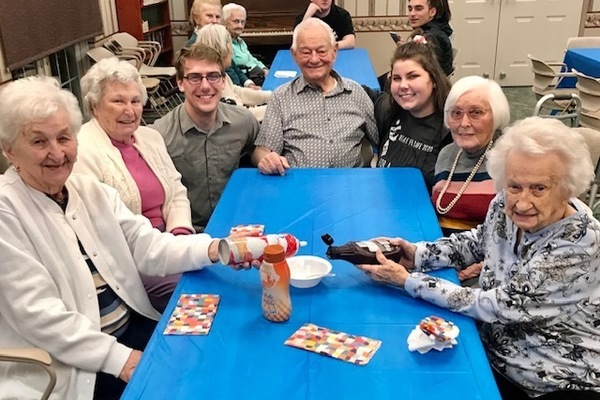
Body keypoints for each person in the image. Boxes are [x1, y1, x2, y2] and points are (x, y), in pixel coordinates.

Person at [0, 76, 255, 400]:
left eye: (64, 137)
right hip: (73, 367)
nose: (57, 152)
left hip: (129, 330)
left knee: (218, 358)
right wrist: (121, 360)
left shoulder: (89, 191)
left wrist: (218, 248)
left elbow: (149, 246)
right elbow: (39, 315)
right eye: (39, 142)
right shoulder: (6, 210)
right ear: (9, 150)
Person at [356, 116, 600, 400]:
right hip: (491, 351)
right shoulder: (504, 203)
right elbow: (476, 242)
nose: (522, 202)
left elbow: (499, 305)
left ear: (568, 189)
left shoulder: (580, 244)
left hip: (554, 381)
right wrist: (416, 254)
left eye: (539, 188)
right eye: (514, 185)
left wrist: (407, 280)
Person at [73, 57, 192, 312]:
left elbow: (176, 192)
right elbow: (102, 226)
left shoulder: (150, 138)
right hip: (130, 257)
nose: (130, 110)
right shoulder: (81, 149)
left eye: (135, 101)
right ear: (94, 106)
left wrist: (179, 234)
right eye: (118, 101)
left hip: (169, 242)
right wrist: (166, 250)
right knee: (196, 290)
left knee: (219, 270)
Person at [150, 44, 259, 232]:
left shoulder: (244, 121)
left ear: (223, 81)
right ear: (180, 83)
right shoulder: (159, 135)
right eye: (194, 77)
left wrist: (264, 157)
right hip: (187, 233)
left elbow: (256, 149)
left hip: (238, 225)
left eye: (213, 76)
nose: (205, 86)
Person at [252, 18, 377, 176]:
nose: (314, 59)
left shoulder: (356, 92)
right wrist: (266, 160)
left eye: (321, 51)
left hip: (349, 183)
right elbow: (262, 150)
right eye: (306, 52)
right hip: (299, 184)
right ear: (294, 55)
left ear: (334, 52)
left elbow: (381, 139)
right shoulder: (281, 97)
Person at [433, 75, 510, 236]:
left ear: (496, 115)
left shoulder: (509, 159)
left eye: (476, 113)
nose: (464, 123)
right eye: (456, 113)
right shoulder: (447, 154)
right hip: (440, 243)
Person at [374, 38, 451, 189]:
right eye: (397, 78)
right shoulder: (388, 109)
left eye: (412, 76)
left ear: (433, 79)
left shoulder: (449, 130)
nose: (403, 85)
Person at [195, 23, 271, 121]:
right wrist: (276, 107)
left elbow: (236, 91)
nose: (232, 52)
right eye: (230, 45)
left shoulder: (217, 72)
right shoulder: (213, 80)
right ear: (223, 48)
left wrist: (270, 96)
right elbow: (239, 116)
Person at [186, 0, 259, 89]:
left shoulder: (221, 38)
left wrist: (249, 84)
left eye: (217, 17)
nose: (214, 21)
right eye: (209, 16)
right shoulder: (192, 47)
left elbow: (234, 67)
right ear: (196, 19)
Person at [223, 3, 269, 86]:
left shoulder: (240, 41)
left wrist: (264, 68)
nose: (240, 26)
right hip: (250, 79)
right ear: (224, 22)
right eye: (236, 21)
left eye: (242, 22)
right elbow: (236, 67)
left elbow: (251, 58)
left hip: (259, 75)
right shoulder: (225, 43)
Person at [406, 0, 453, 76]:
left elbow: (428, 73)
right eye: (410, 9)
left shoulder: (433, 37)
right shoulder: (434, 32)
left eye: (418, 9)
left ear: (432, 12)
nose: (412, 14)